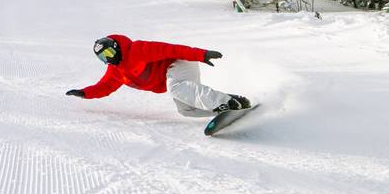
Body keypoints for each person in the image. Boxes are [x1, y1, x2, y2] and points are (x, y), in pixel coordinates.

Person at [65, 34, 251, 117]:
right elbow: (104, 87)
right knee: (186, 111)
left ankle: (223, 103)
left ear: (115, 48)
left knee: (175, 88)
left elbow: (171, 49)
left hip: (179, 63)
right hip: (173, 77)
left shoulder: (137, 50)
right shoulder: (116, 71)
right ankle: (229, 104)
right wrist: (85, 93)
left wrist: (201, 54)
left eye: (109, 54)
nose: (108, 59)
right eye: (103, 58)